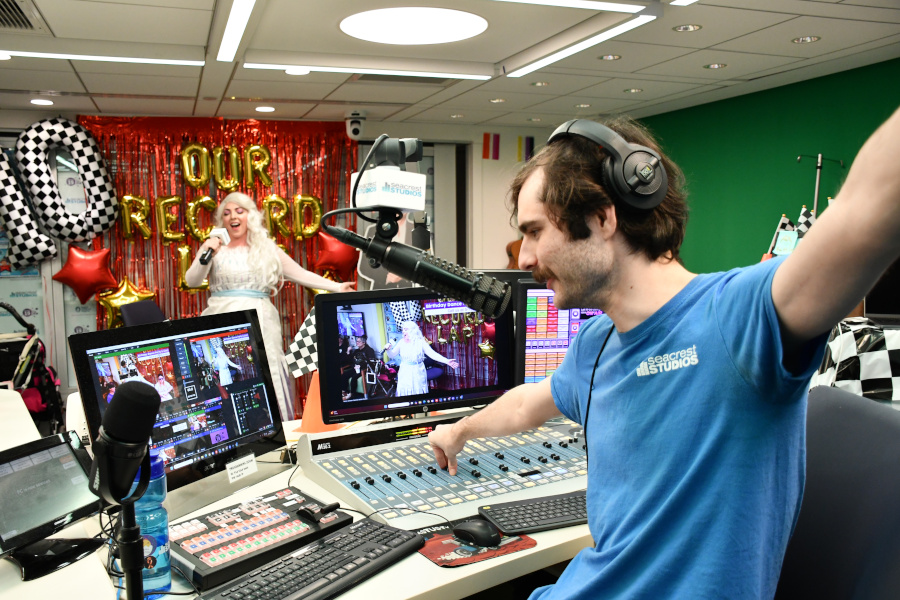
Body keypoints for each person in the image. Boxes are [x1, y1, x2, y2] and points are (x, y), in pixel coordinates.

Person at [428, 107, 900, 599]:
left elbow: (866, 210)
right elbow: (529, 403)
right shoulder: (597, 343)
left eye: (533, 231)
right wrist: (460, 431)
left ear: (603, 217)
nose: (523, 258)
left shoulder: (740, 317)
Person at [186, 191, 354, 421]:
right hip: (219, 317)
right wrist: (207, 249)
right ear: (221, 221)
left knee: (268, 375)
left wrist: (336, 287)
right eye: (226, 213)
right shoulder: (214, 250)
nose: (232, 216)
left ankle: (276, 431)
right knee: (229, 383)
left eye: (239, 211)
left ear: (249, 217)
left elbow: (299, 274)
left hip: (260, 318)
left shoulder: (266, 248)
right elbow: (192, 280)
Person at [385, 321, 459, 396]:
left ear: (412, 330)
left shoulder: (420, 343)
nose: (403, 331)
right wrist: (388, 350)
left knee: (418, 392)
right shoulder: (401, 342)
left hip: (418, 371)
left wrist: (446, 361)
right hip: (405, 371)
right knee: (405, 392)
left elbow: (433, 354)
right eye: (403, 329)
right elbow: (392, 355)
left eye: (406, 329)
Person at [341, 334, 378, 398]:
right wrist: (348, 352)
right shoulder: (356, 351)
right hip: (356, 368)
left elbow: (371, 362)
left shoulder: (369, 350)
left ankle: (352, 393)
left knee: (354, 377)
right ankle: (345, 391)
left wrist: (360, 366)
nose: (357, 343)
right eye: (356, 341)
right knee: (344, 375)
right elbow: (350, 361)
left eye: (358, 341)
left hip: (364, 369)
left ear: (363, 343)